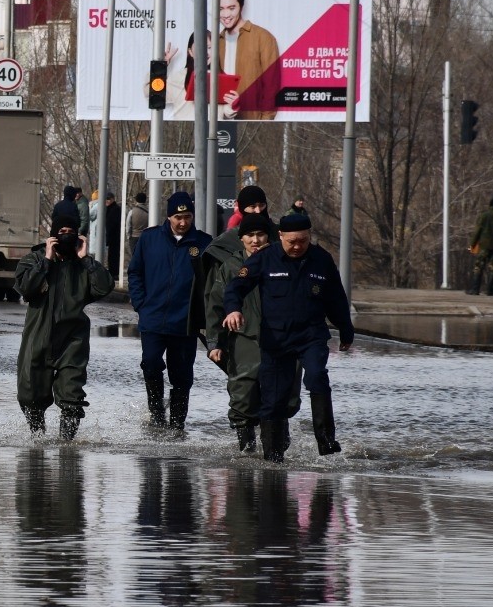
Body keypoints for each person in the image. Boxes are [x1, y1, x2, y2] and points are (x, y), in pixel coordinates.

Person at [223, 212, 353, 462]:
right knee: (273, 399)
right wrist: (234, 309)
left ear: (309, 237)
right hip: (276, 339)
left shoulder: (321, 260)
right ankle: (273, 456)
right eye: (291, 241)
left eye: (302, 241)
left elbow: (336, 298)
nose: (296, 246)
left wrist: (346, 330)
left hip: (311, 335)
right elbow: (235, 287)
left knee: (316, 377)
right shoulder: (265, 258)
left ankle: (326, 441)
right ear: (280, 236)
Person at [199, 212, 299, 453]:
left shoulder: (286, 263)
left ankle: (276, 447)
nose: (255, 240)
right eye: (250, 235)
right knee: (243, 396)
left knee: (281, 396)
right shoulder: (231, 267)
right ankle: (246, 449)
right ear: (241, 238)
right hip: (243, 339)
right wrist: (215, 344)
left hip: (282, 340)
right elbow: (214, 306)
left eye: (260, 234)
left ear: (269, 237)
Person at [14, 201, 114, 441]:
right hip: (39, 337)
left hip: (73, 341)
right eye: (62, 232)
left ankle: (66, 448)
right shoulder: (34, 259)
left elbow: (103, 288)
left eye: (72, 232)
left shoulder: (82, 266)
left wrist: (86, 260)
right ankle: (37, 437)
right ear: (53, 235)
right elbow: (26, 288)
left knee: (72, 396)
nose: (66, 236)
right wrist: (47, 261)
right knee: (30, 394)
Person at [127, 190, 213, 435]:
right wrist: (140, 303)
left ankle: (177, 422)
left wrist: (203, 315)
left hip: (185, 322)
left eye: (187, 217)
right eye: (178, 217)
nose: (183, 222)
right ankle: (156, 414)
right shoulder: (150, 239)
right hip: (152, 318)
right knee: (151, 364)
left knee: (182, 374)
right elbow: (135, 272)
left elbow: (212, 283)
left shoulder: (204, 243)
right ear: (169, 218)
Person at [215, 0, 281, 119]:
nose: (226, 14)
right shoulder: (216, 41)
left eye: (231, 8)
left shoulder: (263, 38)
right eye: (221, 9)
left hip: (252, 122)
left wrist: (264, 122)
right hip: (221, 120)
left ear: (241, 7)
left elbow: (271, 86)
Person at [468, 197, 493, 296]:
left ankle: (475, 289)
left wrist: (472, 244)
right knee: (492, 268)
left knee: (478, 267)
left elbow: (477, 231)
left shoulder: (484, 216)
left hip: (483, 246)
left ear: (490, 206)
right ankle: (489, 290)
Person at [125, 192, 149, 270]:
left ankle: (136, 271)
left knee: (135, 256)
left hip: (134, 237)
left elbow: (128, 224)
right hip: (146, 237)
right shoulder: (149, 211)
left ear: (136, 200)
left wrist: (128, 235)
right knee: (145, 256)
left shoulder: (132, 211)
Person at [104, 192, 123, 276]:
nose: (107, 201)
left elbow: (112, 224)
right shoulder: (108, 208)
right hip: (111, 235)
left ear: (112, 199)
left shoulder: (115, 209)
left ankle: (114, 272)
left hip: (115, 236)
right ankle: (113, 271)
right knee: (111, 255)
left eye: (108, 199)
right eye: (106, 199)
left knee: (114, 255)